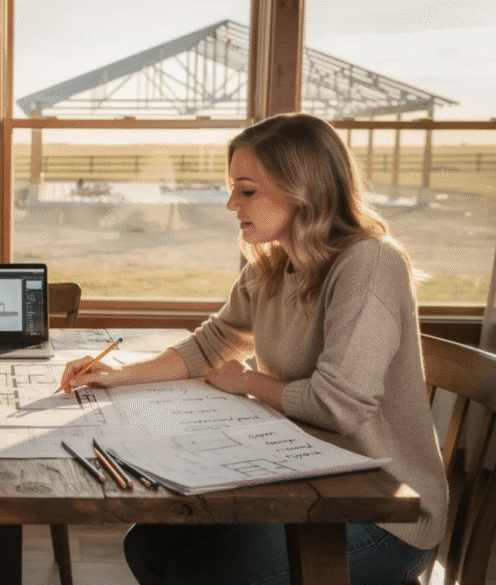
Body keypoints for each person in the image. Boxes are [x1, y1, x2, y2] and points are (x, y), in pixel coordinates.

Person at [59, 113, 447, 585]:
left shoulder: (370, 262)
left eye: (246, 191)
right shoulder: (272, 265)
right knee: (147, 545)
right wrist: (117, 374)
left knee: (201, 574)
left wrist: (247, 381)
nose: (231, 204)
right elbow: (213, 343)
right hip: (304, 476)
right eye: (233, 189)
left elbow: (338, 405)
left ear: (302, 189)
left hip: (386, 513)